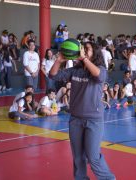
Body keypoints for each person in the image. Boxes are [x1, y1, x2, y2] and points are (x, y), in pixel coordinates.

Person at [49, 41, 115, 179]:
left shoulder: (100, 69)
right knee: (78, 157)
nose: (83, 51)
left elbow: (100, 77)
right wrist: (59, 60)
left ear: (95, 53)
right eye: (82, 49)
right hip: (75, 119)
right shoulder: (75, 70)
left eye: (87, 49)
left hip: (94, 120)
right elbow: (53, 75)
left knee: (93, 156)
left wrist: (84, 58)